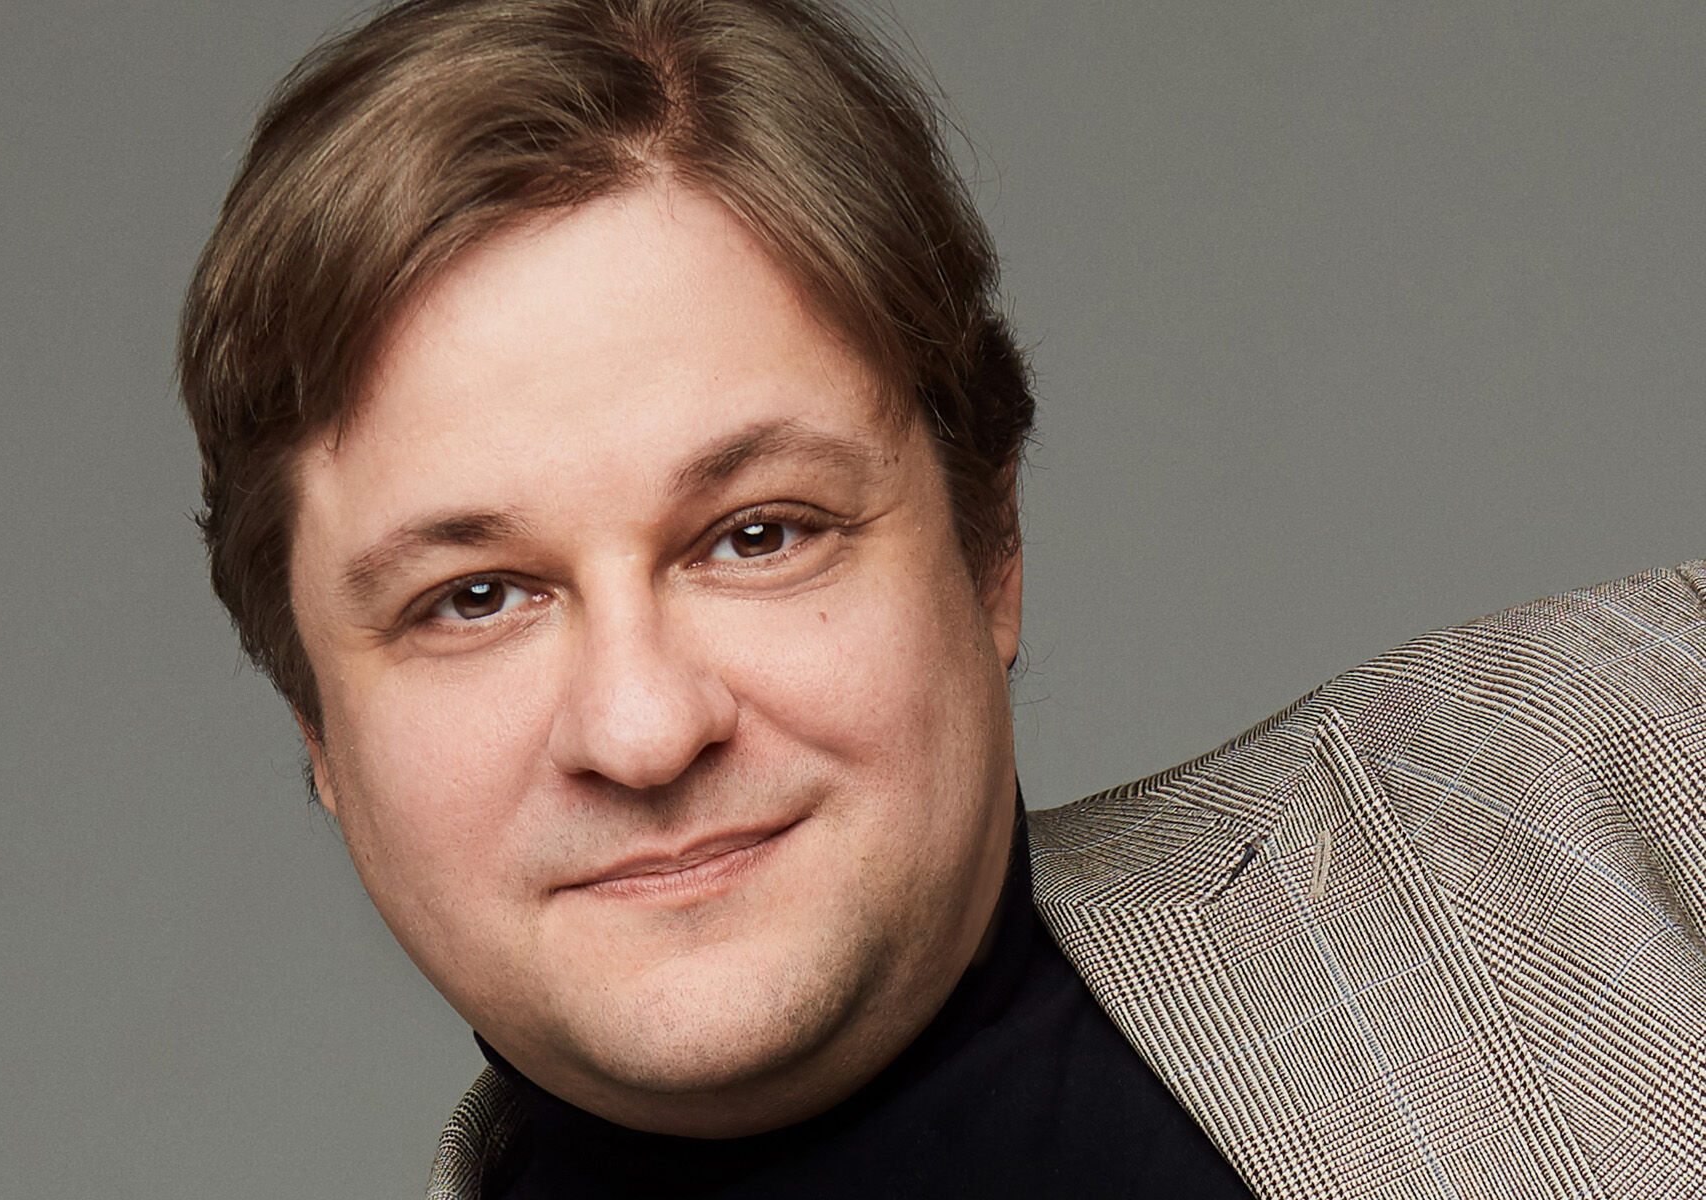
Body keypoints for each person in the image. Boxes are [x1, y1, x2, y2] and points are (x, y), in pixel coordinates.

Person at [178, 1, 1706, 1195]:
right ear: (315, 717)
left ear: (991, 549)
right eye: (475, 598)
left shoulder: (1616, 776)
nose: (642, 730)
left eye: (757, 535)